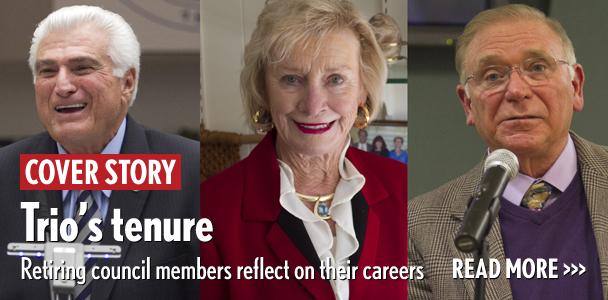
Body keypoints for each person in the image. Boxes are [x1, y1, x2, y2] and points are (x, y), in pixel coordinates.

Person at [200, 0, 407, 299]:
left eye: (335, 79)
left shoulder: (405, 189)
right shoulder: (211, 211)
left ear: (362, 89)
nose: (313, 105)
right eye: (291, 79)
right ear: (263, 90)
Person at [409, 4, 607, 300]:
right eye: (492, 76)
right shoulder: (418, 227)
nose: (516, 90)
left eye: (537, 67)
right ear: (468, 104)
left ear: (575, 86)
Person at [0, 6, 199, 299]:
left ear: (127, 83)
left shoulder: (191, 172)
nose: (63, 85)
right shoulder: (6, 174)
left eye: (82, 67)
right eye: (48, 71)